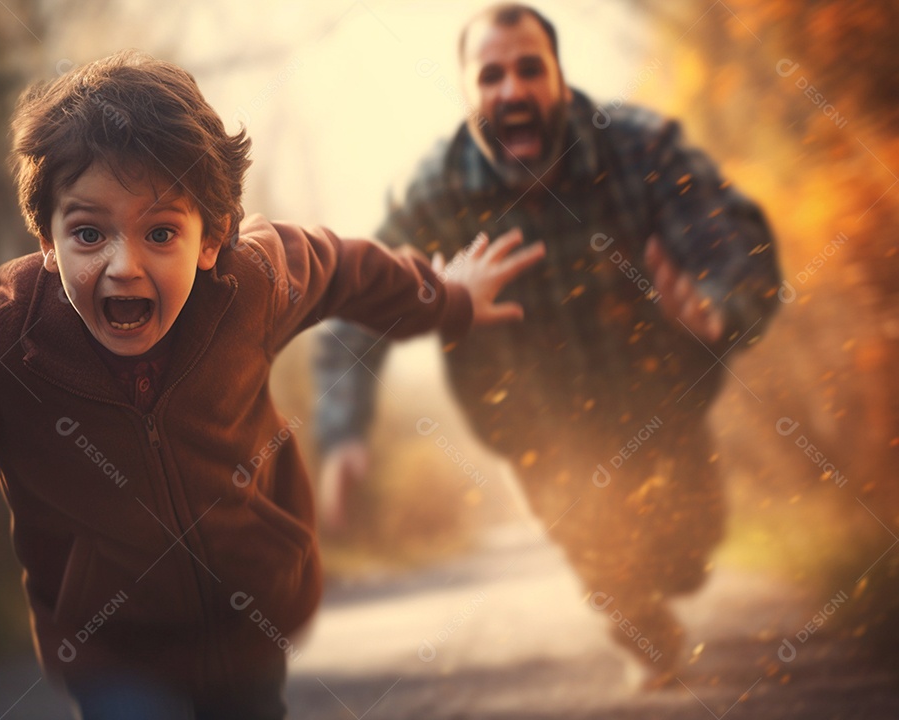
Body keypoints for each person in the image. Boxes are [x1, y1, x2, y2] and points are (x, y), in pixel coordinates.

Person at [0, 51, 545, 718]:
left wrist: (447, 299)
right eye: (88, 233)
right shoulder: (7, 339)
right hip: (113, 650)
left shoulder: (251, 284)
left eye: (160, 232)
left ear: (214, 236)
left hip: (247, 623)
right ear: (45, 238)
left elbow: (343, 268)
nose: (123, 265)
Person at [314, 2, 781, 687]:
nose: (512, 91)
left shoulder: (640, 148)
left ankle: (660, 577)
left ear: (560, 79)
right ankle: (634, 620)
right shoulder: (435, 190)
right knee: (602, 545)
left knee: (688, 556)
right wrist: (343, 429)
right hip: (532, 419)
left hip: (656, 396)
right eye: (491, 75)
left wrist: (717, 305)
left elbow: (731, 236)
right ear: (469, 90)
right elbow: (354, 301)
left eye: (530, 70)